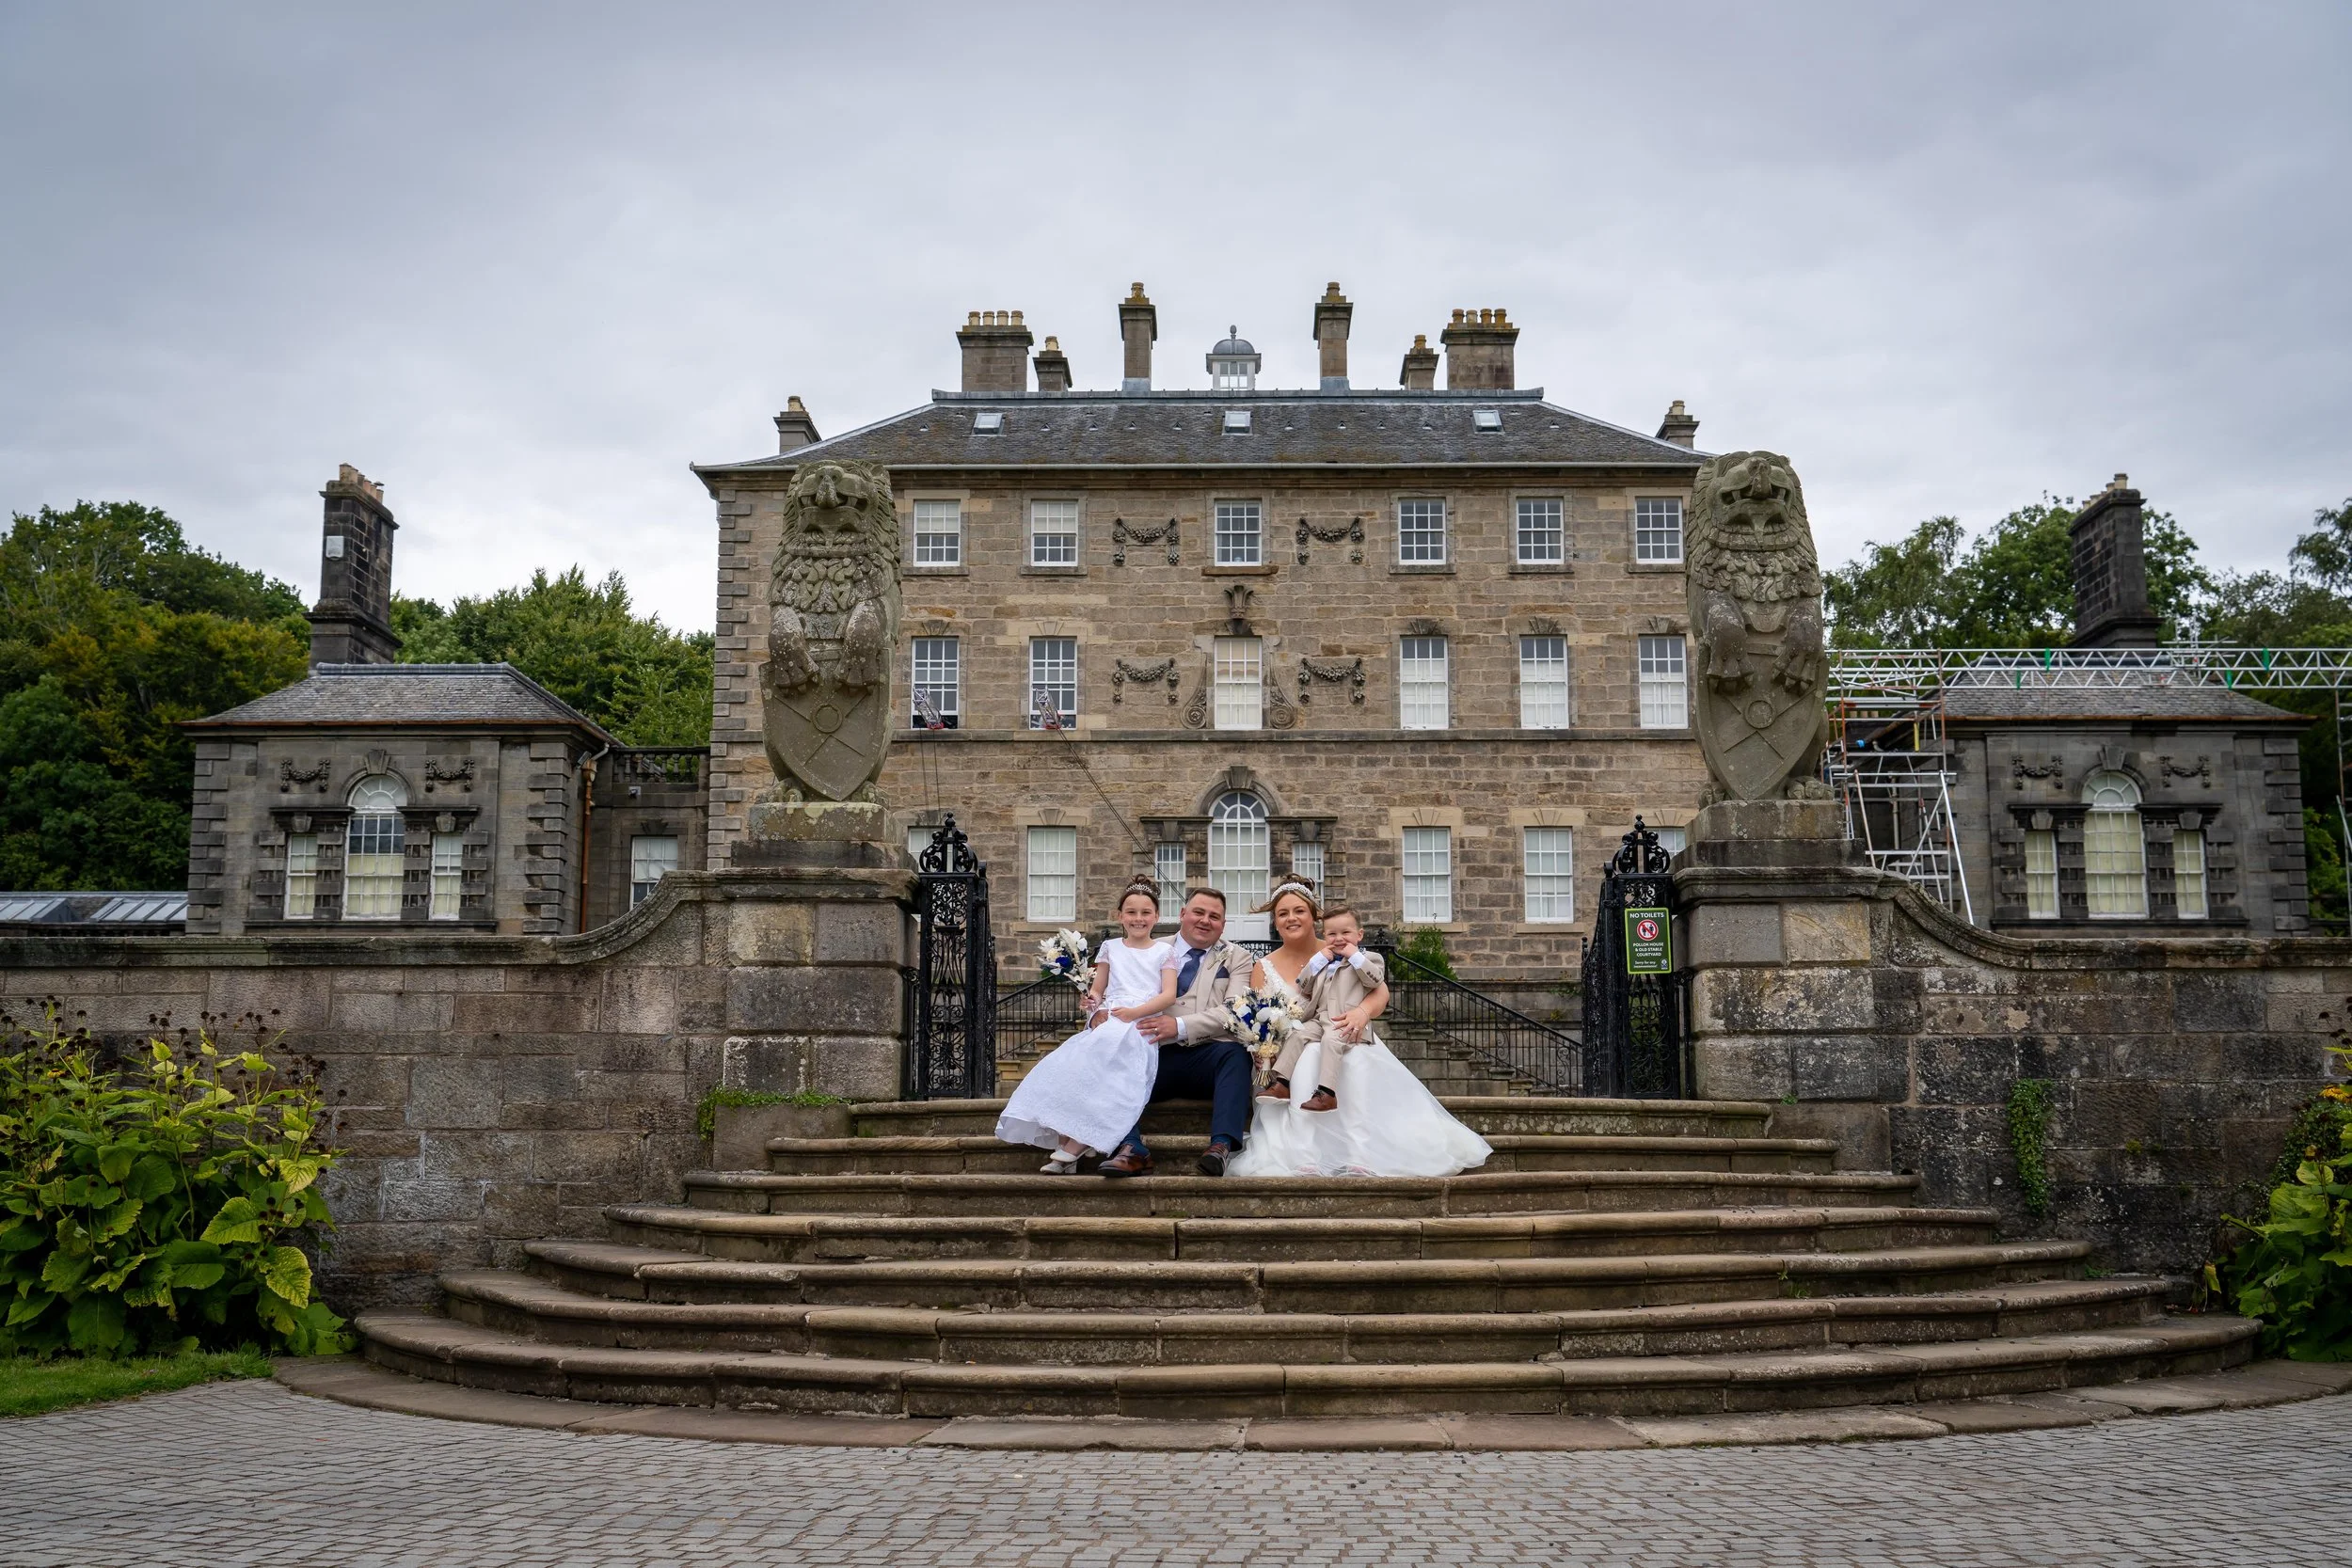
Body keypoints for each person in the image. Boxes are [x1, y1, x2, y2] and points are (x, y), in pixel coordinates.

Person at [1228, 884, 1492, 1179]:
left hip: (1345, 1030)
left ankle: (1357, 1150)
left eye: (1299, 910)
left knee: (1347, 1059)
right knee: (1307, 1054)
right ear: (1275, 921)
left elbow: (1379, 992)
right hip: (1294, 1045)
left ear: (1314, 916)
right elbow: (1258, 1014)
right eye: (1283, 913)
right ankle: (1301, 1144)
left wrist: (1362, 1013)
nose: (1291, 918)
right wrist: (1263, 1046)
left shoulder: (1340, 947)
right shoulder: (1264, 965)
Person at [994, 879, 1177, 1171]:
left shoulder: (1164, 952)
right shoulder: (1110, 947)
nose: (1138, 919)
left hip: (1139, 1023)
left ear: (1156, 916)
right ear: (1120, 916)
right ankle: (1069, 1142)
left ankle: (1077, 1143)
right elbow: (1098, 989)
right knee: (1069, 1067)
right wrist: (1091, 1004)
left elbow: (1168, 994)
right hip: (1109, 1017)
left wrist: (1133, 1013)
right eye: (1131, 912)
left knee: (1107, 1068)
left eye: (1145, 913)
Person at [1096, 886, 1260, 1179]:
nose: (1205, 920)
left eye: (1215, 916)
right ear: (1182, 914)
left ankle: (1220, 1147)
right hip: (1154, 1055)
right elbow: (1116, 994)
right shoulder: (1150, 948)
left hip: (1209, 1056)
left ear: (1223, 924)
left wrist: (1180, 1025)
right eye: (1198, 912)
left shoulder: (1238, 958)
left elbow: (1234, 1012)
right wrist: (1097, 1011)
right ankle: (1131, 1148)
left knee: (1236, 1054)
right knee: (1111, 1059)